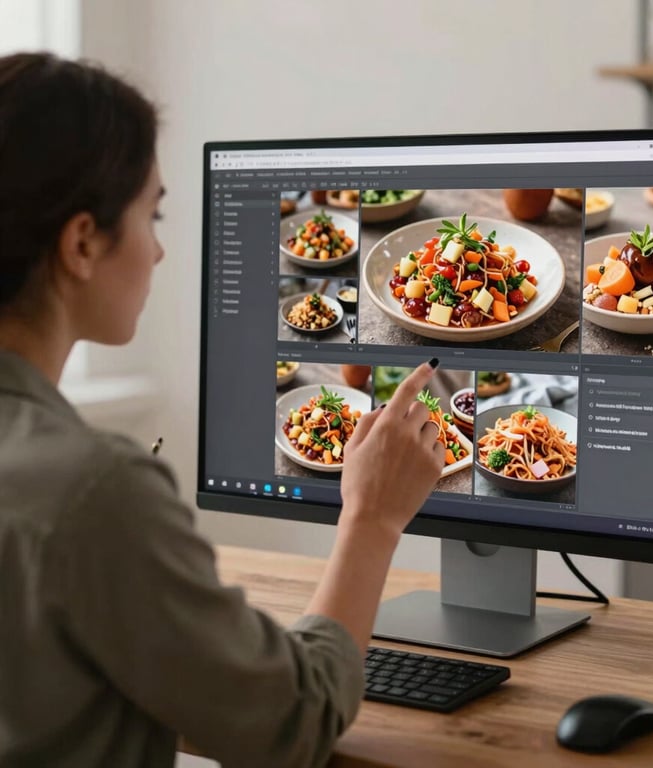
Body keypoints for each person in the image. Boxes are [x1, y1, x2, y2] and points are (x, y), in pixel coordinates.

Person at [0, 52, 444, 768]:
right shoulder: (93, 489)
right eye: (154, 213)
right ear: (82, 242)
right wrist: (372, 516)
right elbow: (294, 724)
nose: (162, 250)